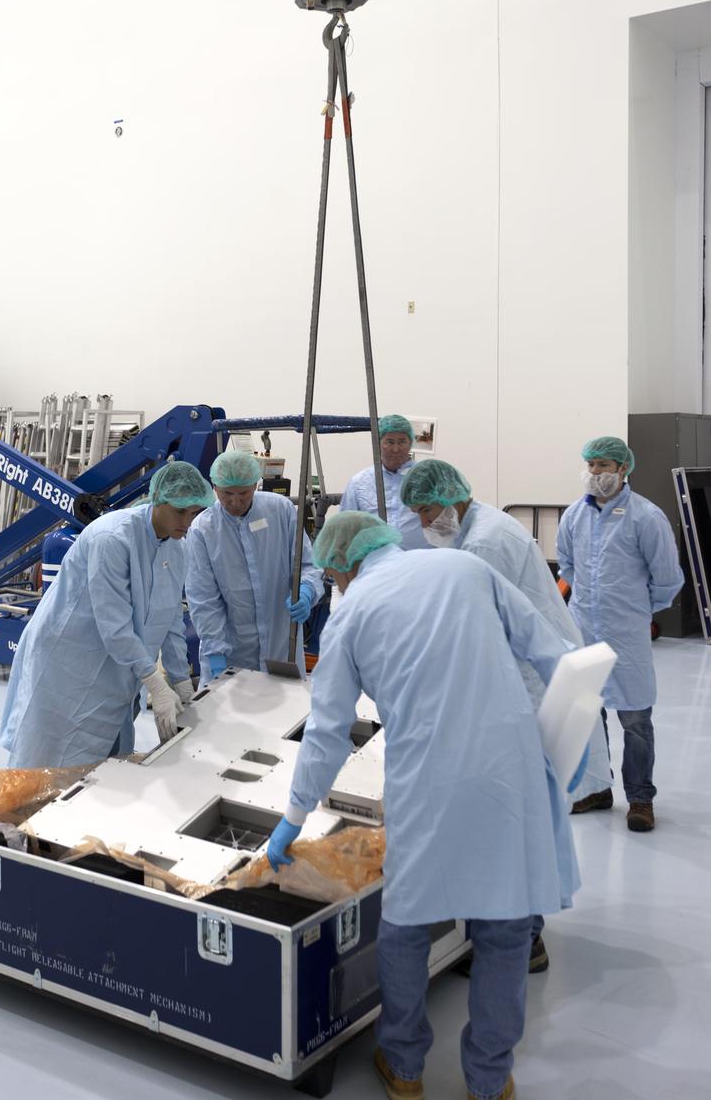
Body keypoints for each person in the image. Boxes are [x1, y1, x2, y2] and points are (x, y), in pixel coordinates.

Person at [267, 512, 580, 1100]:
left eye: (332, 574)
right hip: (508, 768)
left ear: (339, 566)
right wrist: (573, 736)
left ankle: (405, 1067)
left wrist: (294, 817)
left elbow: (329, 730)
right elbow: (551, 650)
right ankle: (491, 1080)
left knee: (407, 926)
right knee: (506, 928)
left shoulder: (350, 613)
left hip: (428, 778)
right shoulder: (466, 568)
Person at [400, 457, 611, 976]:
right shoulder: (477, 526)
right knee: (522, 816)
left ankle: (524, 941)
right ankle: (513, 929)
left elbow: (478, 631)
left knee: (519, 819)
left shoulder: (484, 545)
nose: (425, 522)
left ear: (450, 496)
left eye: (427, 509)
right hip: (530, 679)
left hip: (530, 688)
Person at [0, 461, 214, 768]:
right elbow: (114, 625)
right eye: (180, 511)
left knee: (107, 763)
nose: (187, 521)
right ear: (158, 499)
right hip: (70, 661)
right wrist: (154, 682)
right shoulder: (112, 538)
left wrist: (180, 680)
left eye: (193, 512)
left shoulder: (177, 547)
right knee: (50, 764)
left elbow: (170, 621)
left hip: (120, 666)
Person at [557, 436, 683, 832]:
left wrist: (635, 610)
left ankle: (640, 798)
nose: (596, 473)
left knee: (635, 719)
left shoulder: (646, 516)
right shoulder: (575, 515)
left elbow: (667, 578)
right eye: (592, 465)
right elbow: (567, 565)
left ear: (623, 469)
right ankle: (597, 789)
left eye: (605, 466)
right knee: (588, 716)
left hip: (626, 634)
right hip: (584, 629)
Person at [184, 449, 324, 682]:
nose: (235, 502)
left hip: (281, 646)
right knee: (229, 715)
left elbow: (308, 564)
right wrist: (216, 652)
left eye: (244, 494)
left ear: (256, 486)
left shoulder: (281, 510)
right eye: (227, 493)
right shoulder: (203, 529)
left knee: (283, 713)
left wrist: (307, 590)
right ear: (214, 487)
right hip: (232, 652)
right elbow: (204, 599)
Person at [339, 414, 426, 550]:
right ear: (378, 444)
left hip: (419, 563)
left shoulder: (425, 477)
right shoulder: (359, 483)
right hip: (374, 564)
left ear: (410, 444)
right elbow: (344, 529)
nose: (396, 449)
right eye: (390, 442)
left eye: (402, 441)